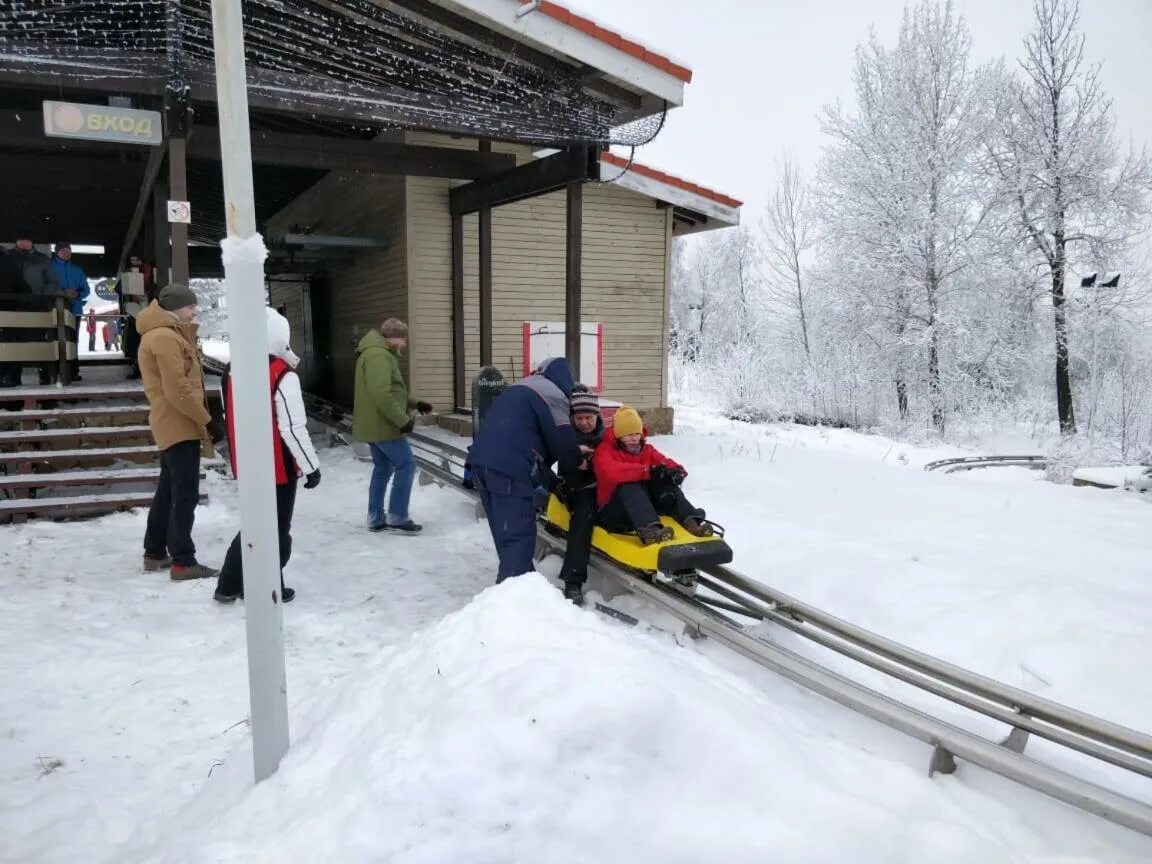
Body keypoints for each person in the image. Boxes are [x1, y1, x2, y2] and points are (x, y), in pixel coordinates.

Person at [214, 308, 322, 604]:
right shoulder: (281, 374)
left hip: (247, 463)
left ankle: (231, 584)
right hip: (278, 467)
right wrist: (311, 466)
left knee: (255, 525)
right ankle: (263, 584)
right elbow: (292, 427)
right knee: (275, 530)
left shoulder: (232, 369)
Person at [469, 357, 584, 583]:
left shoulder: (519, 388)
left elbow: (524, 436)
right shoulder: (553, 394)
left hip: (482, 464)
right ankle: (513, 598)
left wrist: (552, 480)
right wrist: (577, 458)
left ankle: (522, 582)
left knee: (504, 534)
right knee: (517, 537)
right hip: (509, 470)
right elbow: (561, 437)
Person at [137, 283, 217, 580]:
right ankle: (183, 561)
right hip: (178, 422)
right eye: (190, 306)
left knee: (168, 490)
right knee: (185, 495)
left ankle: (155, 552)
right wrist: (206, 419)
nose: (195, 310)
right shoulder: (164, 337)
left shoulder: (164, 334)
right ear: (173, 307)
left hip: (173, 421)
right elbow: (178, 389)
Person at [352, 317, 432, 533]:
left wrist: (416, 403)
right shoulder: (379, 355)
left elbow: (392, 391)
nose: (404, 344)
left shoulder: (376, 352)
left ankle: (376, 517)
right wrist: (403, 420)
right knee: (406, 464)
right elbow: (381, 394)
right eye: (403, 339)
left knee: (383, 468)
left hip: (374, 424)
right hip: (383, 425)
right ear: (393, 337)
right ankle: (397, 516)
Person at [593, 406, 714, 543]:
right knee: (629, 486)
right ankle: (651, 531)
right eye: (628, 434)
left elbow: (663, 461)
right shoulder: (604, 451)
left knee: (665, 482)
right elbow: (611, 472)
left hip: (642, 508)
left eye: (637, 434)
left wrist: (676, 471)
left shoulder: (647, 450)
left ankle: (693, 524)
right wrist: (645, 471)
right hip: (613, 512)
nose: (634, 438)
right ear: (618, 434)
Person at [554, 385, 605, 606]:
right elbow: (560, 466)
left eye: (589, 417)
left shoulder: (607, 437)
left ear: (597, 416)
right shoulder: (566, 437)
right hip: (577, 490)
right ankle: (573, 580)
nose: (584, 422)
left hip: (605, 488)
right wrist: (575, 460)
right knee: (584, 516)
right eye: (580, 417)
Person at [9, 233, 60, 385]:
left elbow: (52, 281)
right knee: (12, 341)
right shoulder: (7, 257)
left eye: (27, 240)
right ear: (16, 241)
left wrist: (45, 297)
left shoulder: (42, 259)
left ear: (32, 242)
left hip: (37, 305)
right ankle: (12, 376)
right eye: (21, 240)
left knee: (40, 340)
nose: (24, 242)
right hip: (12, 306)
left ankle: (45, 375)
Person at [51, 242, 89, 381]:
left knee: (73, 340)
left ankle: (73, 371)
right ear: (57, 252)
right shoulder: (50, 268)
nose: (66, 253)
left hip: (75, 309)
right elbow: (46, 286)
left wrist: (76, 294)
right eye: (63, 251)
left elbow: (86, 289)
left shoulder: (77, 270)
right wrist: (62, 292)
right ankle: (55, 371)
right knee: (56, 339)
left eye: (68, 250)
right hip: (55, 310)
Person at [0, 247, 31, 388]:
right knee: (10, 343)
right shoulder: (10, 264)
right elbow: (25, 288)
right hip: (10, 310)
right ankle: (10, 377)